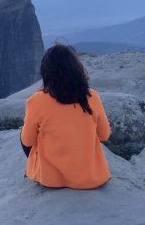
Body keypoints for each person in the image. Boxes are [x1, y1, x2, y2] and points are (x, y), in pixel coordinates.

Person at [20, 43, 111, 189]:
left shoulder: (36, 101)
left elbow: (27, 140)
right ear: (76, 69)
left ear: (46, 73)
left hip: (50, 180)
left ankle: (37, 170)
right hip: (90, 179)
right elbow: (104, 135)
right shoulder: (92, 97)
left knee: (23, 133)